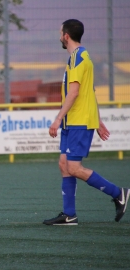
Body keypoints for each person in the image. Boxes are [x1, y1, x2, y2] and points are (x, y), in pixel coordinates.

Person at [43, 19, 129, 225]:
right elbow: (89, 92)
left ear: (66, 36)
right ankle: (69, 214)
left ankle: (119, 193)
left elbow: (74, 93)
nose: (59, 35)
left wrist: (57, 119)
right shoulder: (82, 56)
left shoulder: (77, 58)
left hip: (78, 121)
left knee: (73, 167)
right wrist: (97, 119)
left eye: (59, 32)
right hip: (74, 120)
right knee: (64, 164)